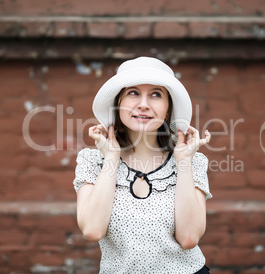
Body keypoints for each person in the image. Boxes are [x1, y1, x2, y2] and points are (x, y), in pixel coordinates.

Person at [73, 56, 212, 273]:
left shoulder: (193, 161)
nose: (144, 105)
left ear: (167, 110)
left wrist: (183, 162)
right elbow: (92, 230)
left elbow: (189, 238)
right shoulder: (92, 160)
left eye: (156, 95)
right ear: (118, 104)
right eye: (133, 93)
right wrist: (111, 157)